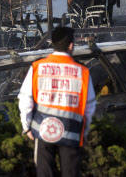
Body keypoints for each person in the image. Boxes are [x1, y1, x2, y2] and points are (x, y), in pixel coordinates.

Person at [18, 27, 96, 177]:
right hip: (72, 131)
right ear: (71, 45)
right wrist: (84, 131)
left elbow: (25, 99)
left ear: (52, 43)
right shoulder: (82, 71)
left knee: (44, 173)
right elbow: (89, 105)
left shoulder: (37, 67)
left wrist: (27, 127)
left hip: (43, 130)